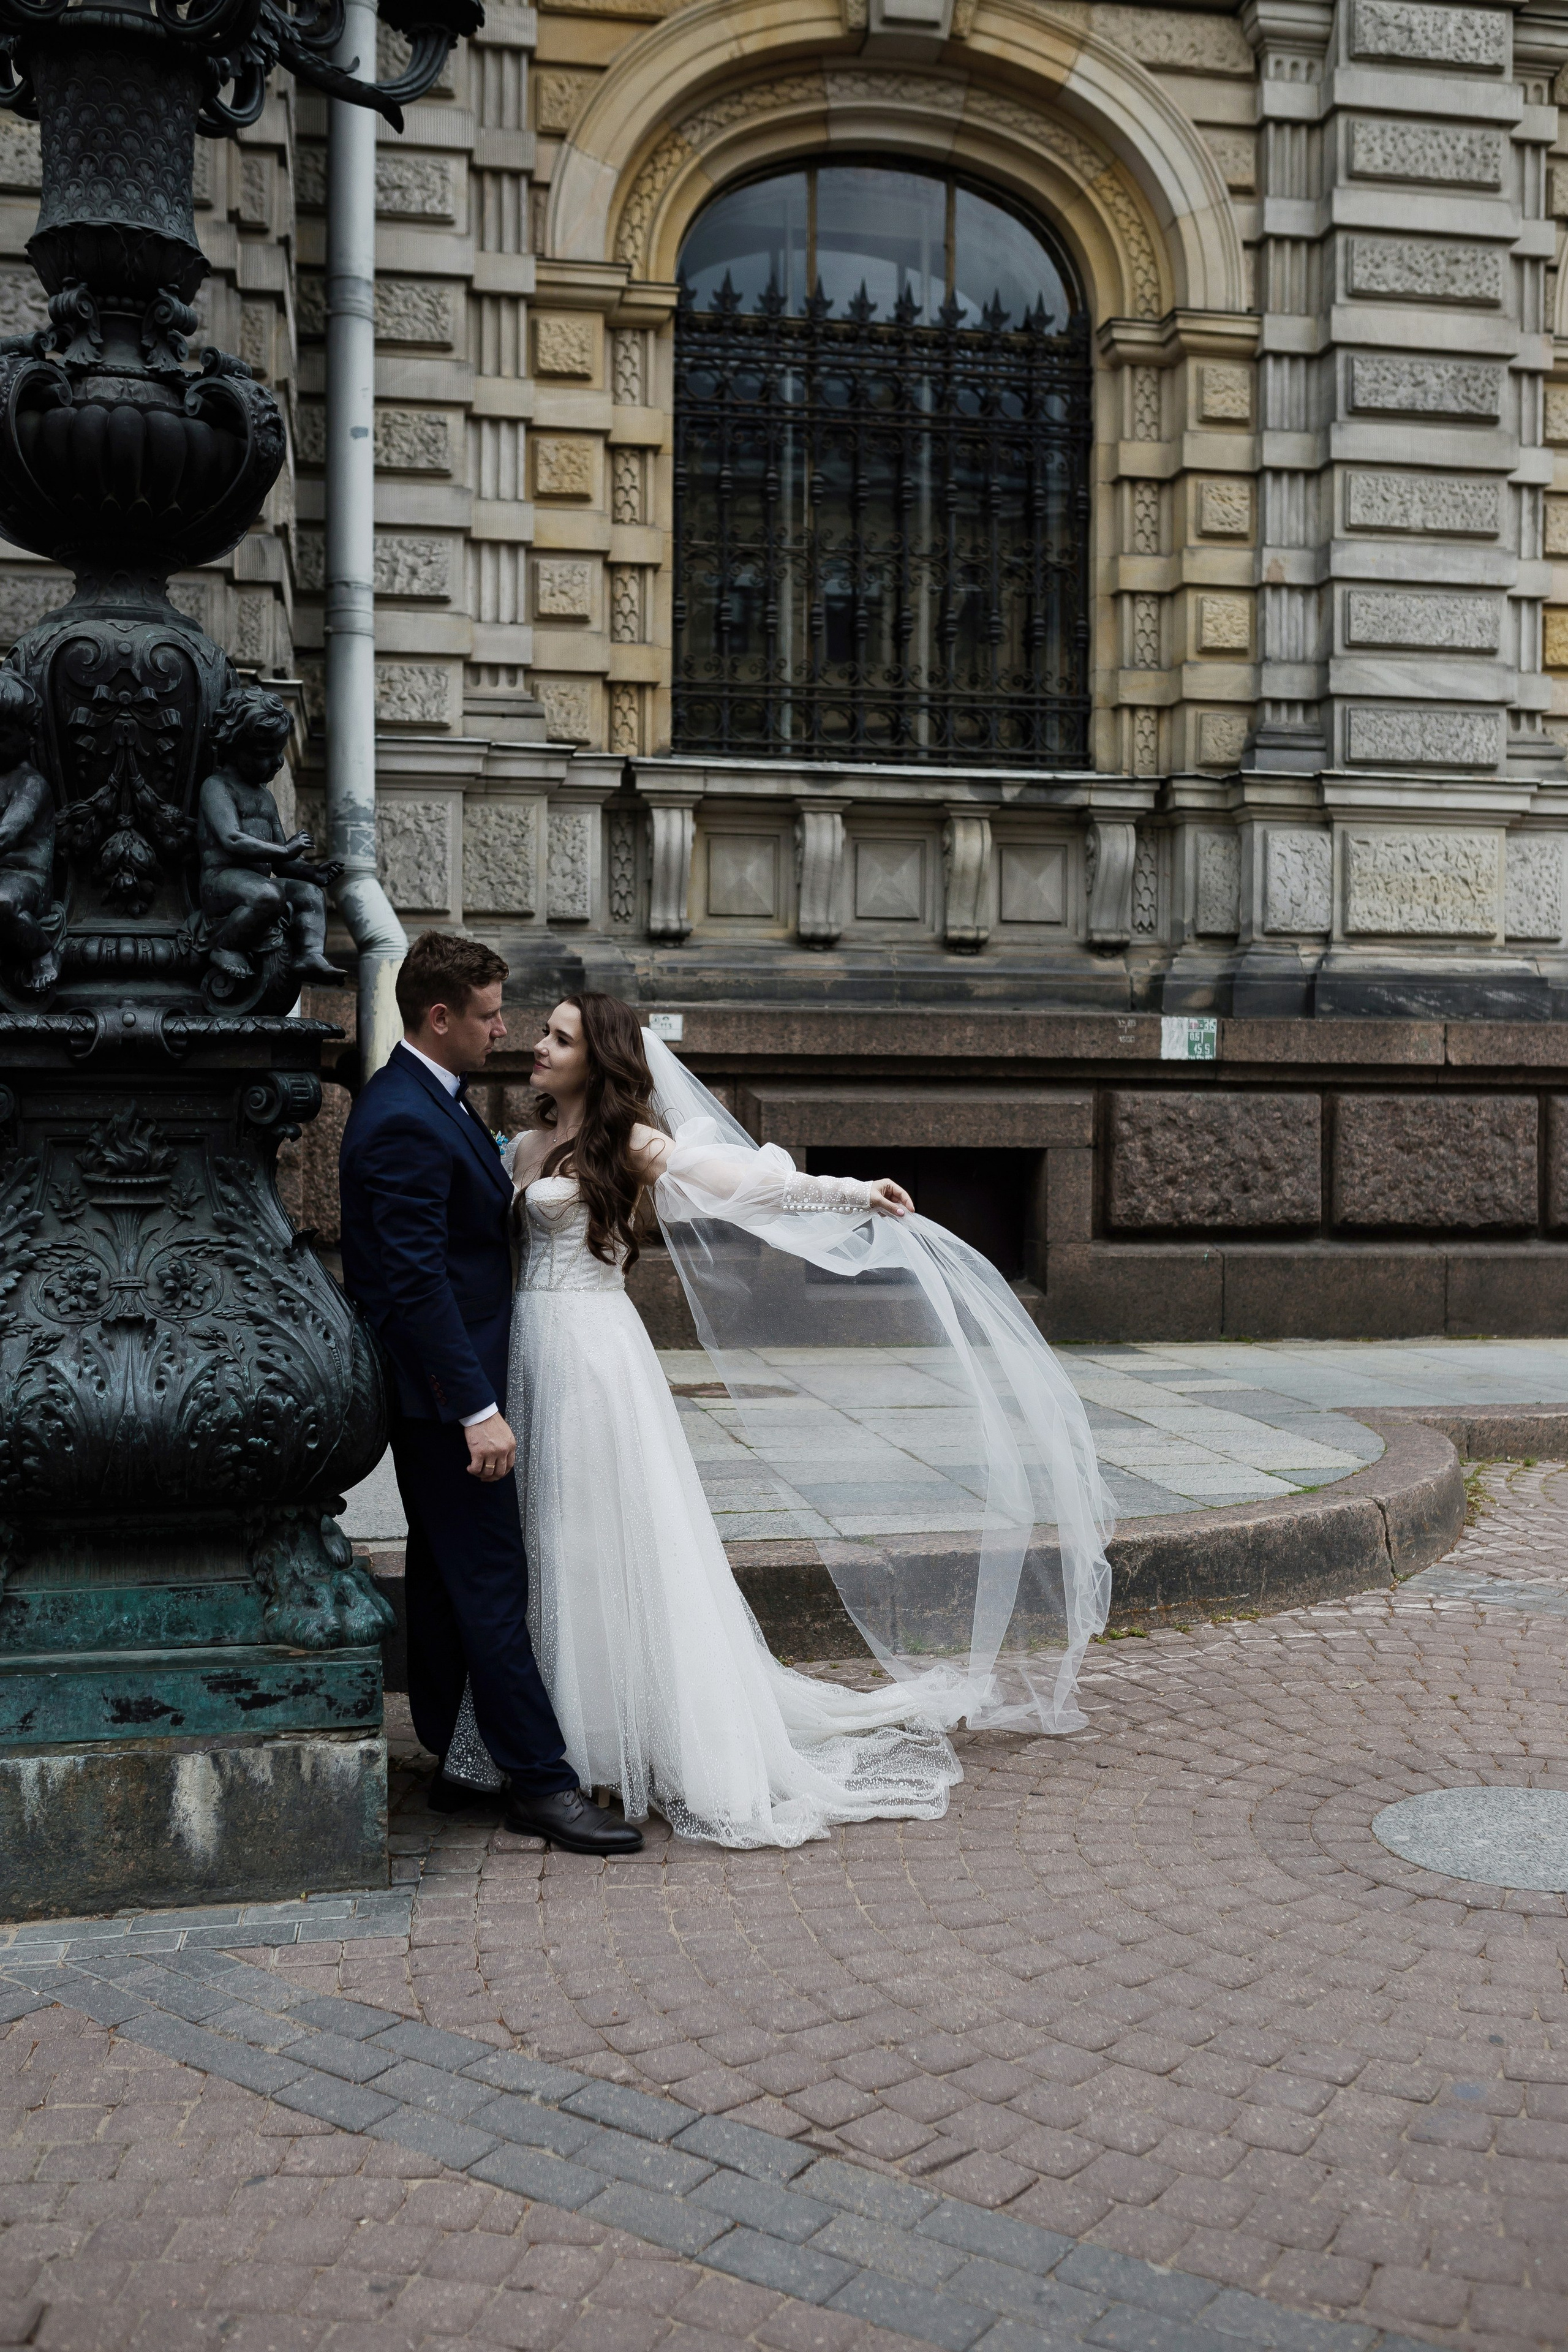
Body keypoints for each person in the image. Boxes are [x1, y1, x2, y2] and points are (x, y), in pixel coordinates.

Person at [466, 990, 1114, 1850]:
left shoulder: (631, 1143)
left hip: (594, 1359)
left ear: (602, 1057)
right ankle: (559, 1735)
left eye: (559, 1037)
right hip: (527, 1354)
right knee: (544, 1538)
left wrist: (848, 1193)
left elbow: (748, 1185)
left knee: (598, 1533)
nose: (537, 1047)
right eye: (543, 1033)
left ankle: (621, 1740)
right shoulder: (521, 1144)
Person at [337, 933, 642, 1857]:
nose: (502, 1029)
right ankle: (541, 1785)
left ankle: (458, 1764)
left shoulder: (439, 1103)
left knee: (441, 1574)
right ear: (440, 1018)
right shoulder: (401, 1116)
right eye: (487, 1014)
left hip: (455, 1385)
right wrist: (476, 1409)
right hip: (445, 1397)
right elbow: (415, 1281)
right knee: (491, 1581)